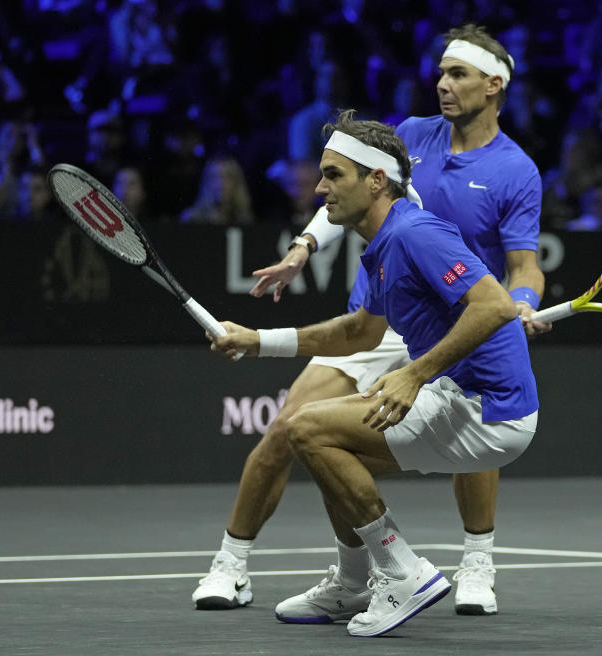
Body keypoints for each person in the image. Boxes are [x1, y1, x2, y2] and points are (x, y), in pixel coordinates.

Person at [193, 24, 546, 618]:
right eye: (440, 72)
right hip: (386, 313)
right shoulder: (408, 138)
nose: (442, 84)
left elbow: (522, 269)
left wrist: (521, 305)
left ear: (494, 85)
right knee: (297, 427)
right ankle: (252, 567)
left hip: (455, 325)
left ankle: (469, 559)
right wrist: (302, 251)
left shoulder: (515, 171)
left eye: (457, 74)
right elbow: (351, 191)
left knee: (347, 430)